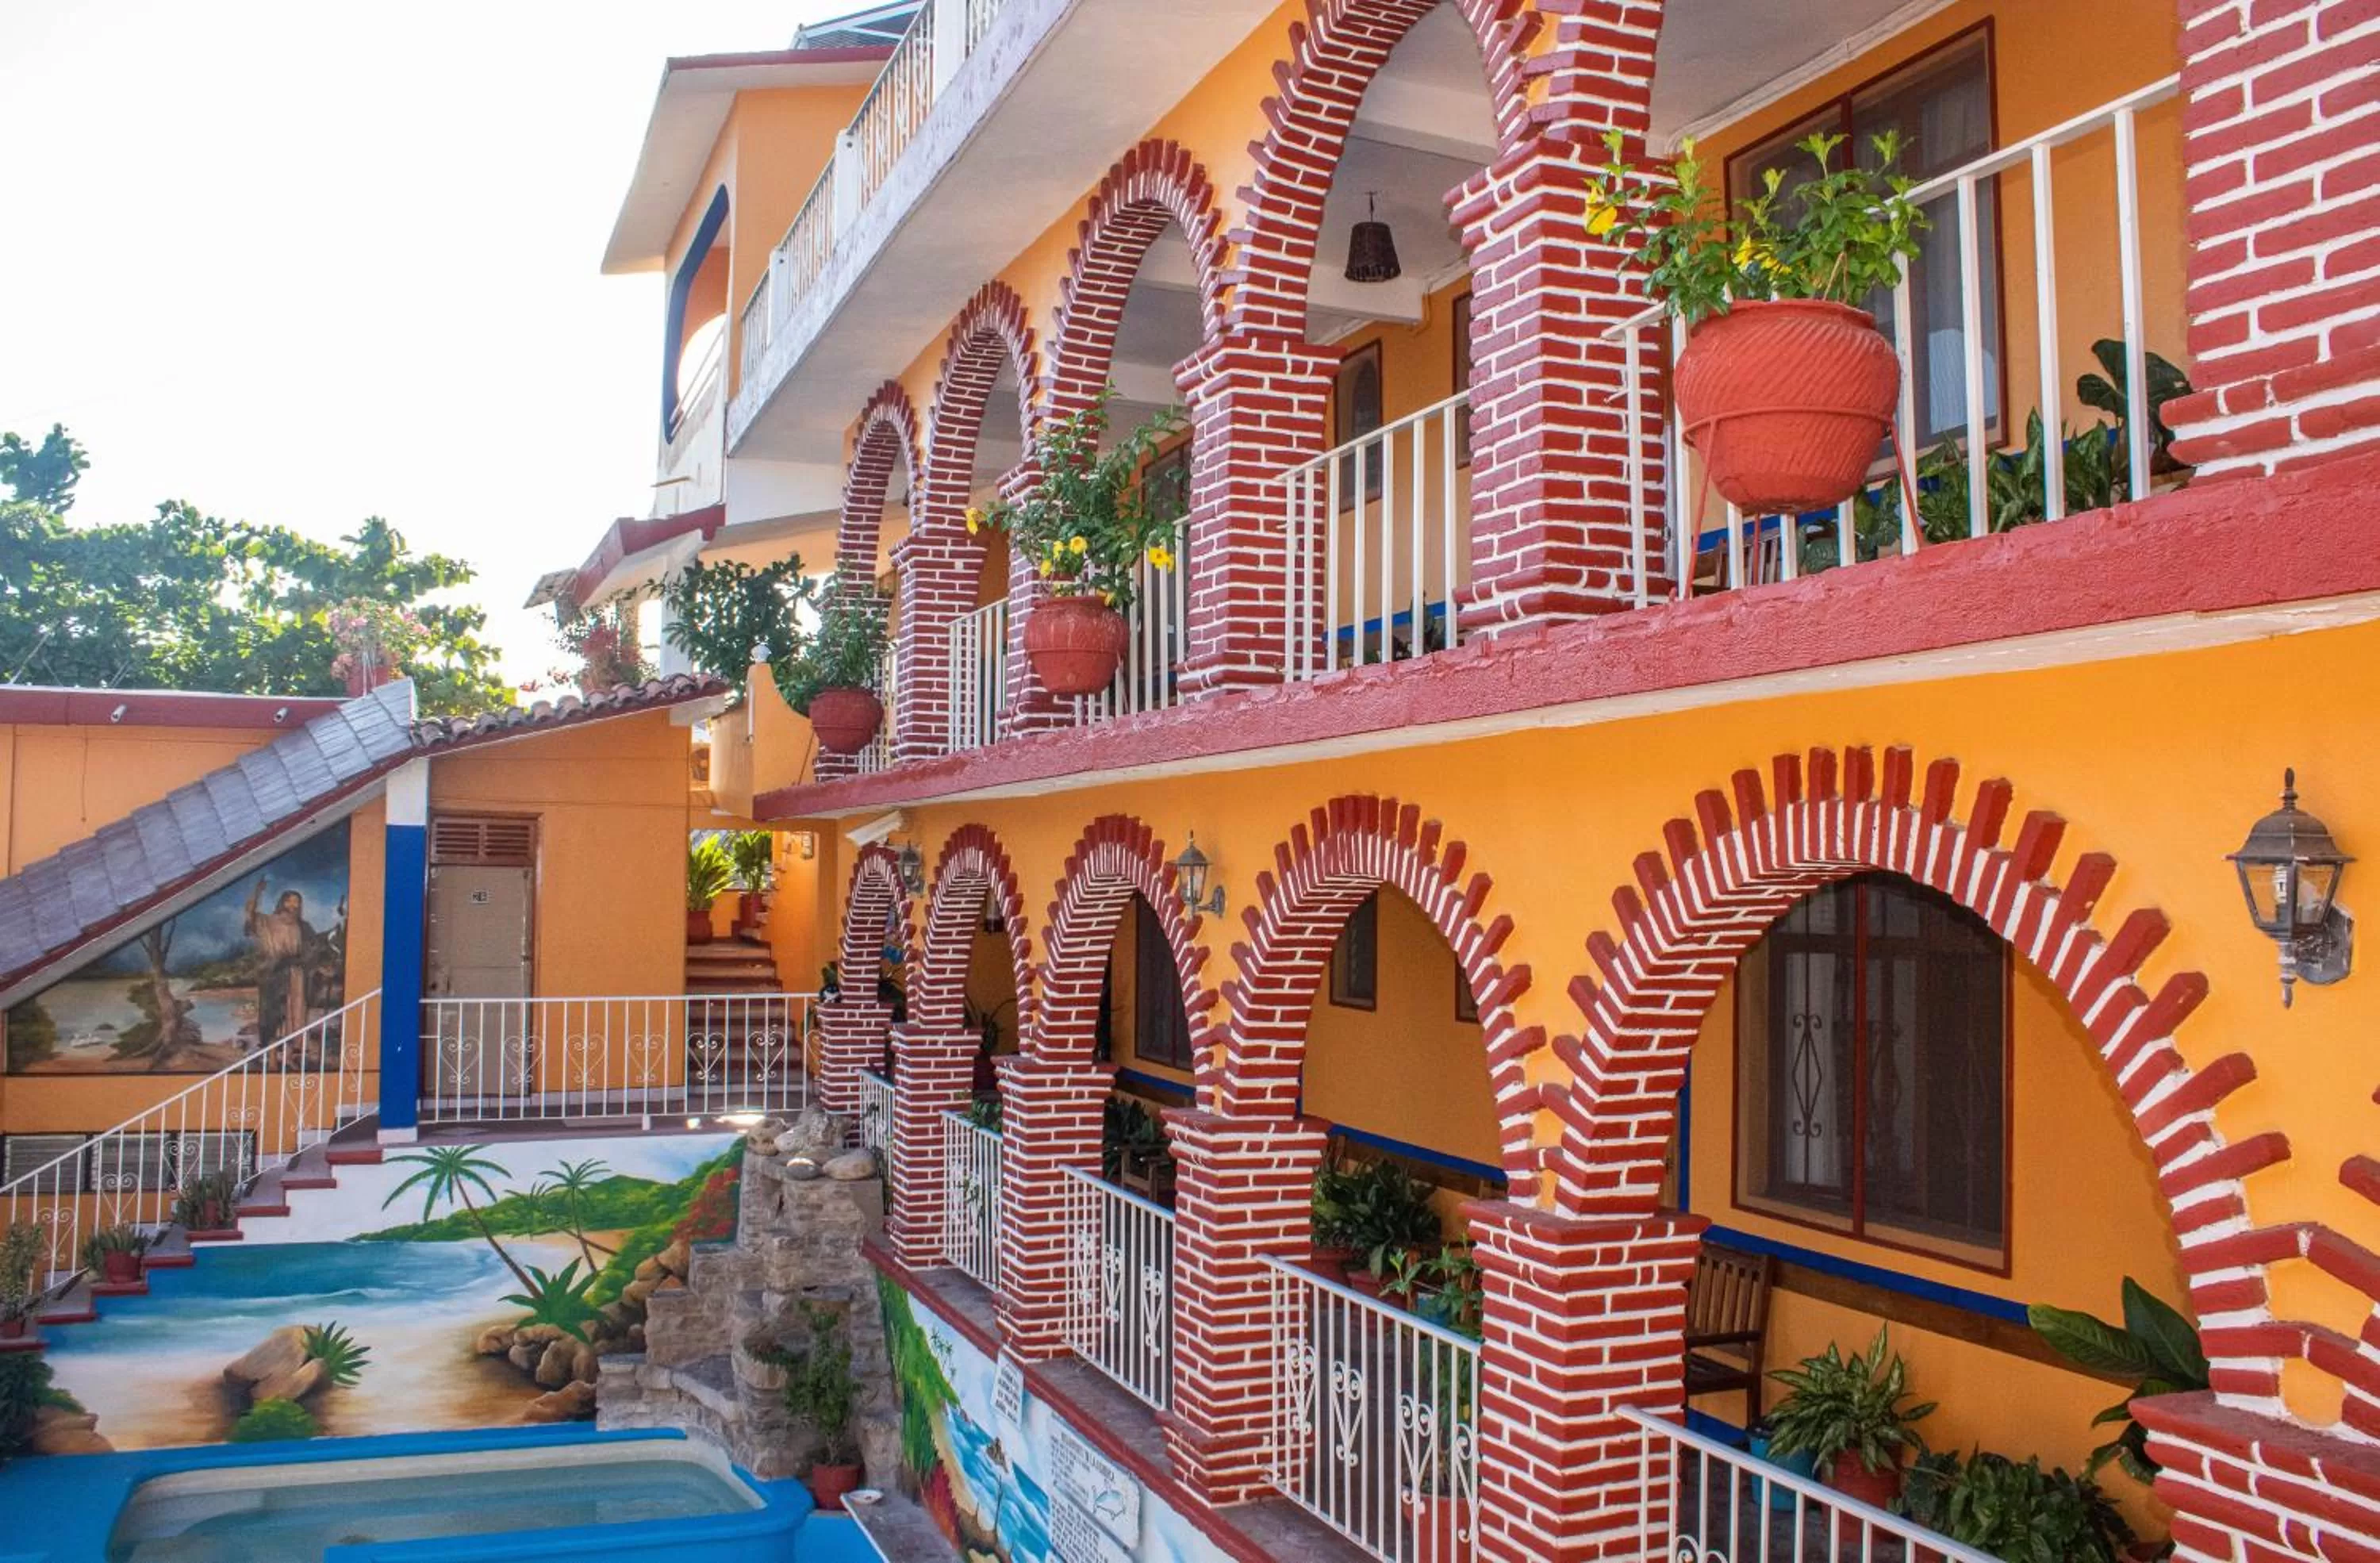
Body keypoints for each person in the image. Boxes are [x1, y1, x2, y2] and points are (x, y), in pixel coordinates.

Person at [244, 879, 321, 1045]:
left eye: (297, 901)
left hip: (295, 973)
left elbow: (315, 947)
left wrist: (305, 960)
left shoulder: (303, 926)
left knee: (294, 1013)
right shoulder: (269, 921)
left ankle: (289, 1055)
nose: (293, 904)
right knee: (272, 1013)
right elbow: (250, 915)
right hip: (274, 973)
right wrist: (257, 892)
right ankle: (271, 1057)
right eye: (290, 900)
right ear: (283, 902)